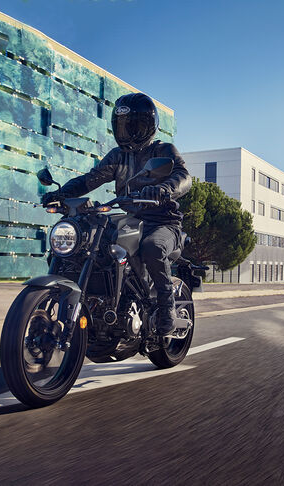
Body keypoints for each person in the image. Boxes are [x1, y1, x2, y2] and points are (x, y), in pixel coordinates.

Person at [41, 92, 191, 336]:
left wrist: (164, 189)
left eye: (134, 125)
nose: (127, 131)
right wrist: (62, 193)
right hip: (131, 219)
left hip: (162, 222)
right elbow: (91, 179)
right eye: (122, 125)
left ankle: (167, 310)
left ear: (149, 126)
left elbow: (184, 178)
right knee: (86, 243)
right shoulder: (117, 156)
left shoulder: (163, 151)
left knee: (153, 247)